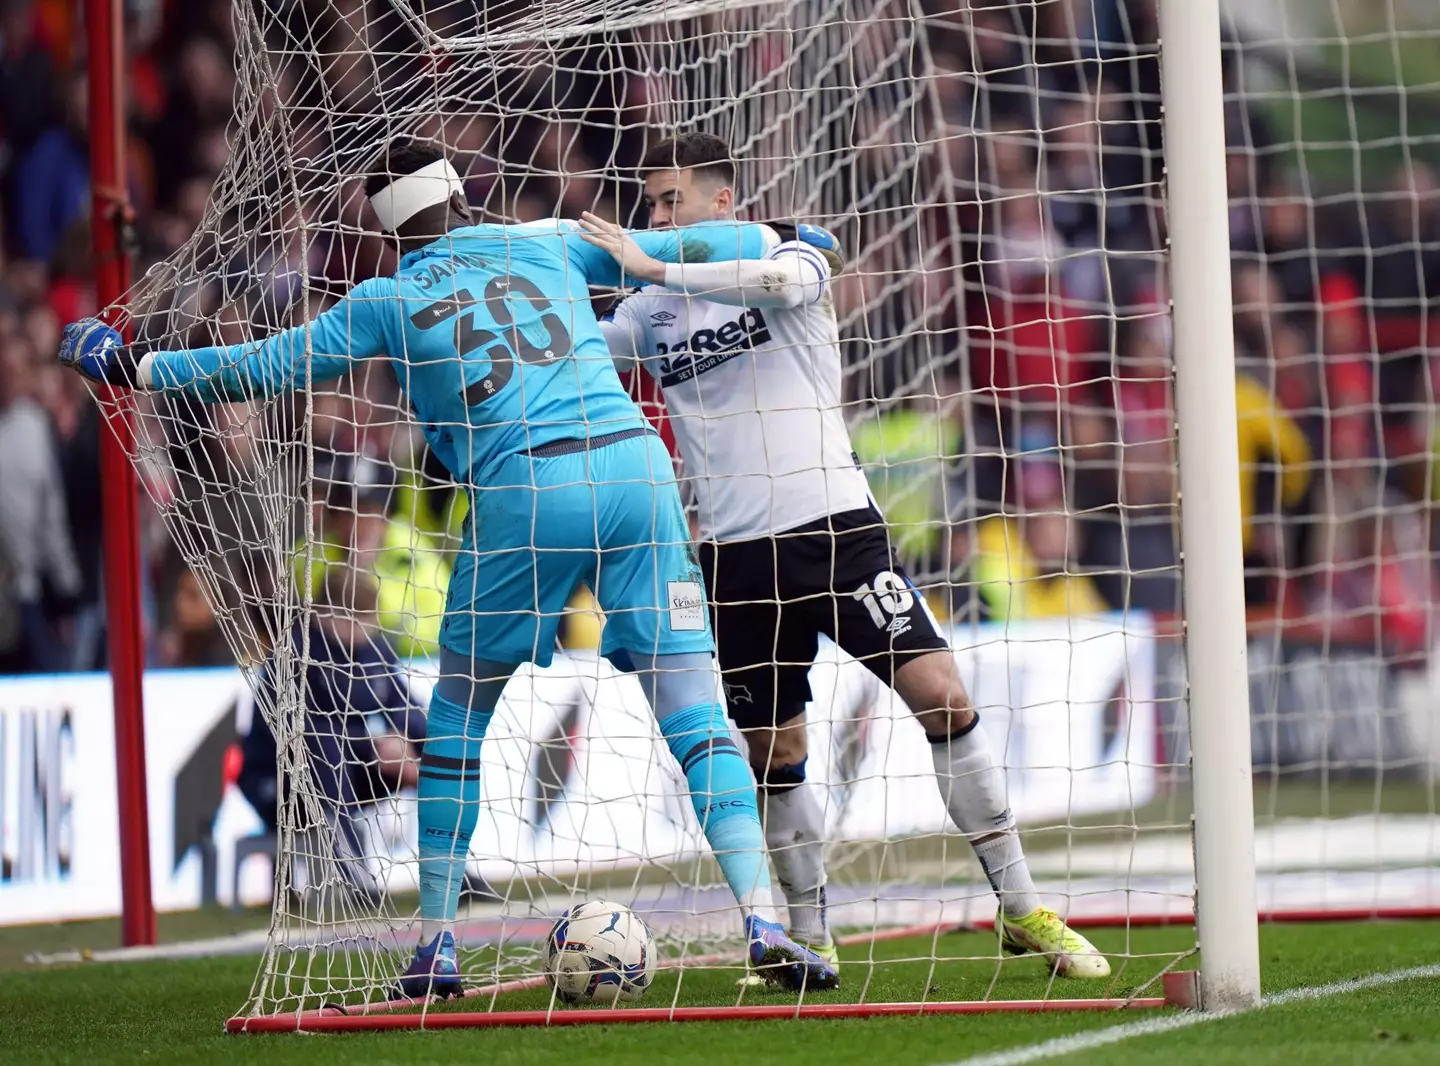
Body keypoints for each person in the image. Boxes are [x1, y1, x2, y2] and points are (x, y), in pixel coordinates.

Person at [57, 138, 839, 997]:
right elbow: (686, 246)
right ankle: (763, 921)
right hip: (636, 471)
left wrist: (134, 365)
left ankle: (437, 947)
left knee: (460, 719)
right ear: (462, 197)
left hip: (525, 489)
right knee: (693, 710)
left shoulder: (387, 298)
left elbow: (261, 366)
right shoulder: (542, 240)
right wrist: (781, 237)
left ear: (388, 229)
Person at [590, 131, 1108, 977]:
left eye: (668, 201)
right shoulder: (646, 316)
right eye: (647, 204)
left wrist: (651, 263)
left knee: (939, 691)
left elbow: (776, 275)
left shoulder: (793, 264)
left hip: (837, 533)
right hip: (733, 559)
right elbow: (584, 347)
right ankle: (807, 933)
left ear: (722, 203)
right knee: (774, 751)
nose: (652, 217)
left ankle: (1022, 909)